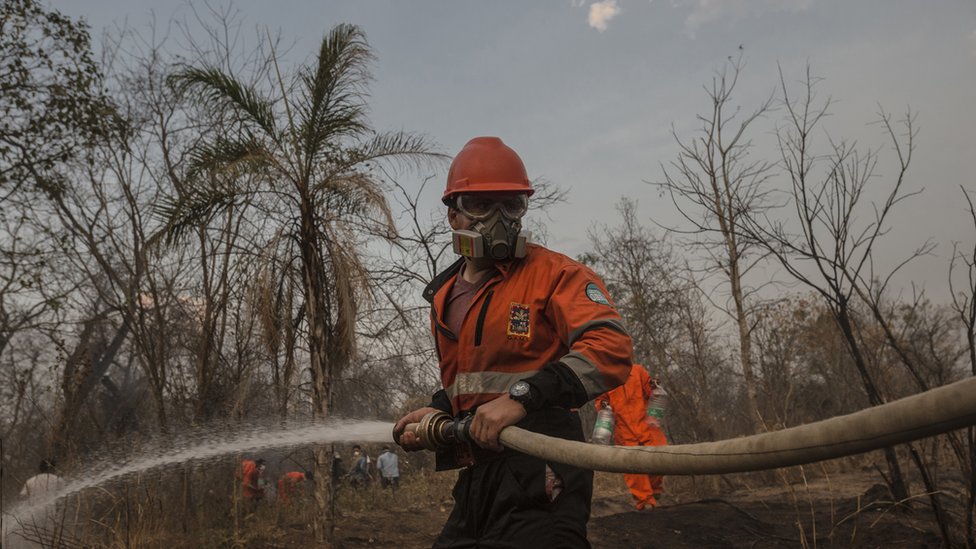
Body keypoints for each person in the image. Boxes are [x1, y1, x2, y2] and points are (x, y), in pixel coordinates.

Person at [394, 137, 634, 548]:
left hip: (543, 466)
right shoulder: (444, 294)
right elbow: (481, 379)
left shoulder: (556, 274)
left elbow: (610, 349)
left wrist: (522, 397)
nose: (500, 218)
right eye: (483, 206)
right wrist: (438, 409)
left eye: (512, 205)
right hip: (478, 472)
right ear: (455, 215)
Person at [596, 364, 669, 510]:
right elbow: (602, 405)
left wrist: (655, 411)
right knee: (633, 468)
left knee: (661, 458)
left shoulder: (637, 371)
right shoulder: (604, 379)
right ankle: (645, 502)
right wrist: (603, 432)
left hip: (647, 427)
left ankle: (655, 490)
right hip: (624, 433)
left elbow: (655, 392)